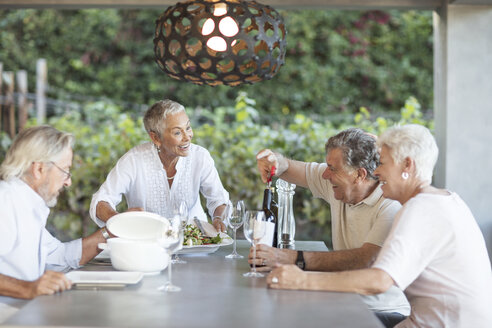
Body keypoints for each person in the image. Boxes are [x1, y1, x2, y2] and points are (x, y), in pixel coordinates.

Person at [267, 124, 492, 328]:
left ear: (407, 164)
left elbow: (379, 280)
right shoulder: (444, 200)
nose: (376, 171)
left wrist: (302, 279)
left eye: (382, 163)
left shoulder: (420, 209)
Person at [252, 128, 410, 324]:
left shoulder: (390, 204)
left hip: (381, 311)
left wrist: (294, 258)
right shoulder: (338, 181)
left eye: (332, 168)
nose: (325, 175)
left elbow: (365, 260)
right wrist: (274, 161)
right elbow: (288, 168)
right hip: (343, 299)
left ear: (359, 174)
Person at [0, 126, 109, 303]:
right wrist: (28, 288)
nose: (68, 182)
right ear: (39, 169)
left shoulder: (28, 206)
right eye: (65, 170)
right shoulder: (5, 201)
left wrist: (111, 231)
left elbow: (61, 256)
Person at [90, 99, 230, 231]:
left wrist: (219, 218)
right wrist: (120, 220)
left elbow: (218, 199)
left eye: (188, 127)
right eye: (177, 132)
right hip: (148, 245)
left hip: (197, 245)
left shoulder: (201, 156)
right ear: (156, 138)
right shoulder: (134, 160)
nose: (187, 137)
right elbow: (101, 201)